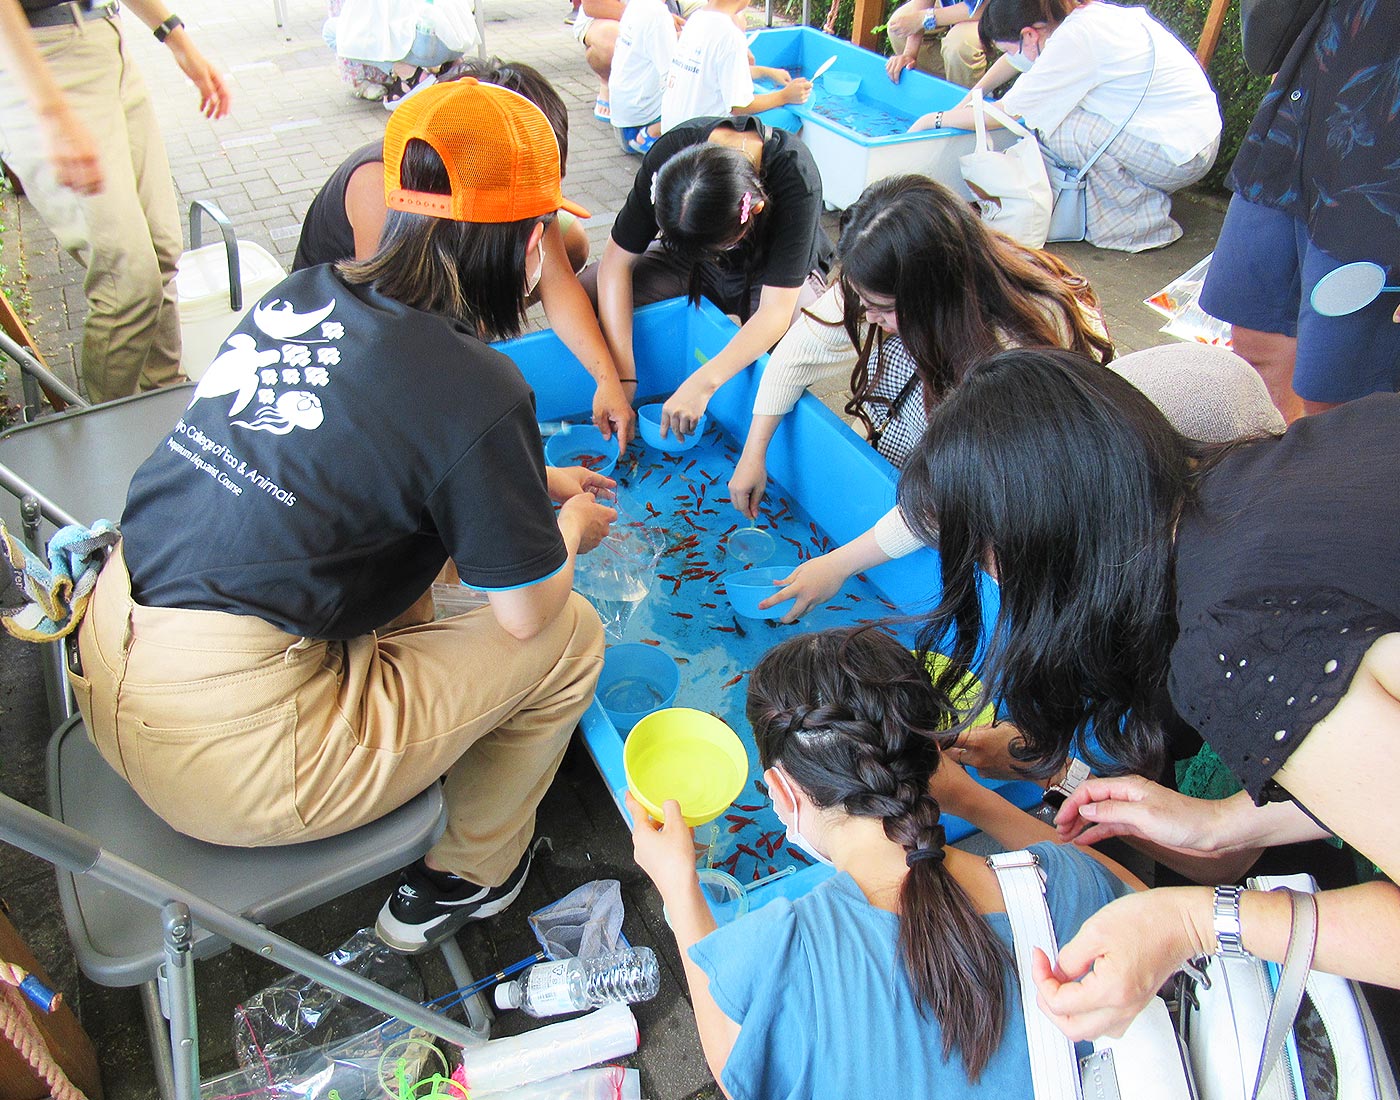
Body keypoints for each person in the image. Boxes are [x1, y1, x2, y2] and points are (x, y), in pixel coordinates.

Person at [71, 80, 617, 955]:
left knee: (424, 554)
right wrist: (569, 535)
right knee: (569, 632)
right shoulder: (477, 385)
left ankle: (398, 745)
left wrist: (528, 475)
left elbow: (346, 464)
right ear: (529, 243)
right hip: (225, 761)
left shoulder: (302, 294)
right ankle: (468, 874)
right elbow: (526, 612)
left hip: (106, 662)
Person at [895, 348, 1400, 1038]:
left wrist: (1192, 919)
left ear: (1039, 542)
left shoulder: (1237, 637)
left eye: (986, 559)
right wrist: (1232, 820)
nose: (996, 582)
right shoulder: (1312, 451)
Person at [627, 626, 1143, 1098]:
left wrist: (678, 886)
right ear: (927, 759)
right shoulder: (1066, 884)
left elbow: (732, 1061)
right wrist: (974, 799)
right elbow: (1143, 901)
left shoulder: (782, 954)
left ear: (783, 793)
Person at [728, 175, 1111, 621]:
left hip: (1017, 478)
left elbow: (947, 496)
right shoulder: (889, 276)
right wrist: (755, 452)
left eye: (884, 309)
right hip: (922, 453)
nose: (868, 318)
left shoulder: (1015, 350)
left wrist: (838, 564)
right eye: (862, 300)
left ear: (936, 294)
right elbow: (799, 351)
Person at [293, 58, 635, 449]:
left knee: (572, 242)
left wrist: (608, 379)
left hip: (434, 274)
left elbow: (556, 280)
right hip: (347, 321)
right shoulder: (382, 191)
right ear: (480, 161)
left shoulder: (508, 174)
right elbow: (396, 338)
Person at [0, 0, 230, 404]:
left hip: (108, 38)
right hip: (36, 59)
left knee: (161, 253)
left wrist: (175, 36)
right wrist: (52, 113)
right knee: (127, 283)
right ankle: (111, 433)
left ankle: (166, 405)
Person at [1198, 0, 1400, 423]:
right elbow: (1265, 44)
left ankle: (1332, 487)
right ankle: (1277, 482)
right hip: (1304, 113)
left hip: (1383, 180)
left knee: (1342, 396)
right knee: (1256, 343)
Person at [584, 115, 833, 443]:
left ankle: (758, 431)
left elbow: (775, 312)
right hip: (690, 263)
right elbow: (616, 263)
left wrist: (704, 383)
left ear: (753, 211)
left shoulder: (795, 175)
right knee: (587, 293)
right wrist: (622, 378)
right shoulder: (670, 156)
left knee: (799, 340)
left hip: (774, 279)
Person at [911, 0, 1221, 253]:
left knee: (1054, 128)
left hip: (1181, 156)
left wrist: (933, 120)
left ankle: (1133, 222)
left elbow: (1007, 114)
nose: (1010, 56)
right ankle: (1122, 201)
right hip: (1191, 139)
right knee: (1056, 116)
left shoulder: (1073, 42)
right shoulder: (1077, 18)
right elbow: (1016, 61)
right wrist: (968, 99)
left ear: (1030, 34)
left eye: (1007, 48)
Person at [659, 0, 811, 134]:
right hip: (700, 142)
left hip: (672, 134)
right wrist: (785, 96)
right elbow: (739, 106)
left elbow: (712, 73)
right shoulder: (730, 35)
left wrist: (767, 72)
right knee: (789, 120)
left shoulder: (696, 18)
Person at [609, 0, 681, 155]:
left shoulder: (637, 4)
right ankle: (652, 133)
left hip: (624, 117)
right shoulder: (658, 14)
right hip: (640, 121)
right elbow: (673, 73)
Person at [883, 0, 987, 88]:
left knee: (959, 44)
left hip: (990, 12)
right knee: (898, 27)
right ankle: (941, 88)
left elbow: (980, 9)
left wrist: (924, 18)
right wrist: (909, 53)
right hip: (956, 5)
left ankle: (970, 100)